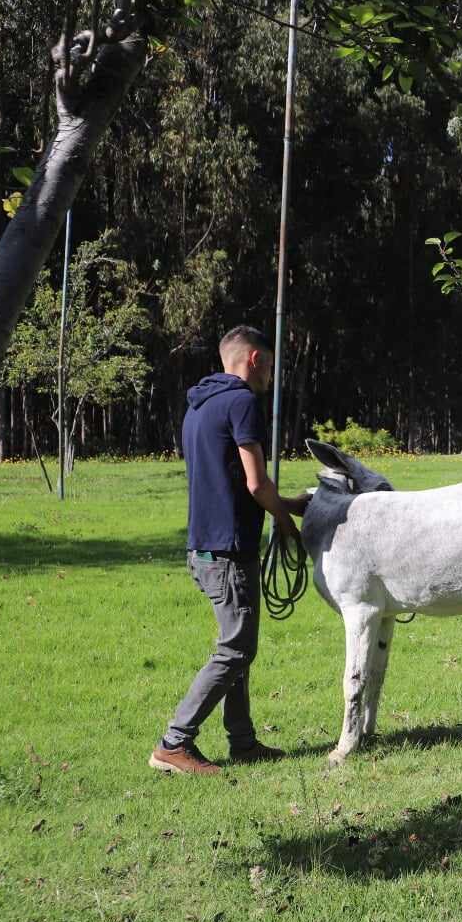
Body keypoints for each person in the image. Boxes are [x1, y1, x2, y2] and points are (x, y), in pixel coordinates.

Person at [149, 326, 310, 775]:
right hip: (229, 548)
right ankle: (174, 742)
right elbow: (256, 482)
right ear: (254, 359)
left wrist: (290, 505)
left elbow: (231, 480)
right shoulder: (241, 401)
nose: (270, 377)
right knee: (236, 650)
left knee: (237, 645)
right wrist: (285, 518)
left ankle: (242, 741)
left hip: (203, 547)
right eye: (271, 367)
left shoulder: (199, 406)